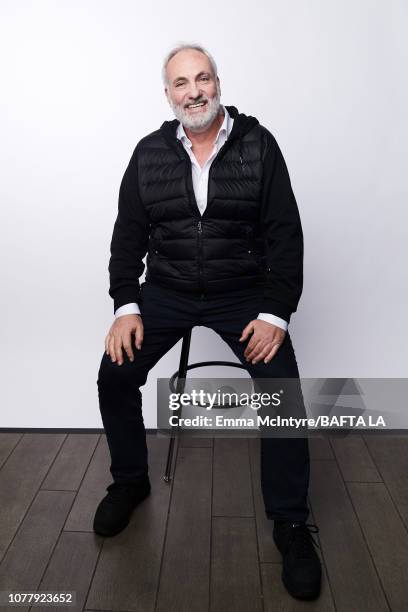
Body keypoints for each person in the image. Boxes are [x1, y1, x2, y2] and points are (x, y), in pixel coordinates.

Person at [95, 43, 321, 600]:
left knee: (281, 393)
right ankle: (130, 482)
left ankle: (290, 523)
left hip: (240, 294)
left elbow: (286, 233)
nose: (193, 91)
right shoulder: (149, 153)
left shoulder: (259, 146)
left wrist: (275, 312)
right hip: (167, 292)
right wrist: (126, 305)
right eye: (181, 83)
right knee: (114, 373)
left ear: (218, 83)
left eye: (202, 79)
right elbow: (127, 237)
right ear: (168, 93)